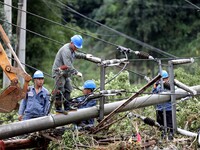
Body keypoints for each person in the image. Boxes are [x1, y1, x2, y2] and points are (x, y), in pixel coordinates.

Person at [52, 35, 94, 112]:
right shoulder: (66, 50)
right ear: (71, 43)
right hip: (59, 73)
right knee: (60, 89)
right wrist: (76, 72)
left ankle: (67, 106)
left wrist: (85, 56)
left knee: (68, 88)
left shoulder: (72, 50)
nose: (76, 48)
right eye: (76, 46)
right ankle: (58, 108)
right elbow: (68, 65)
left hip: (65, 73)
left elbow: (76, 55)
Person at [152, 70, 173, 140]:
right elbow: (152, 96)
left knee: (169, 126)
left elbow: (175, 92)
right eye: (161, 79)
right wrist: (154, 87)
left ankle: (170, 137)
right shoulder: (158, 87)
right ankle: (162, 137)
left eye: (164, 79)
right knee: (160, 125)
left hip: (168, 109)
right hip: (159, 109)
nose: (163, 81)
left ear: (167, 78)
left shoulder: (171, 86)